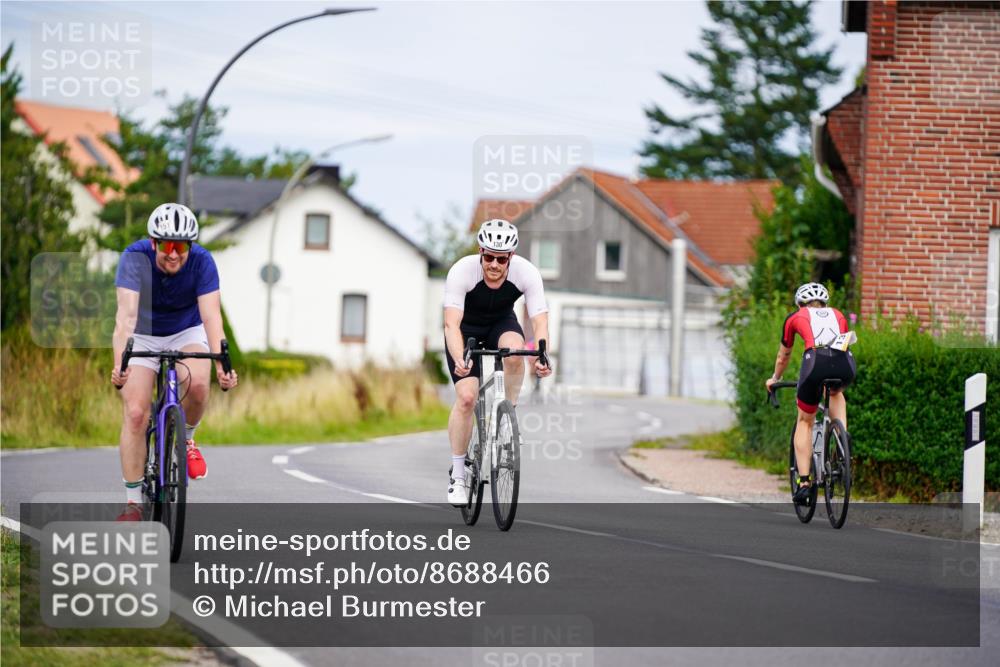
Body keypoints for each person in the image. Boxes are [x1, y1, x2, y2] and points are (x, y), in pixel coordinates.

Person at [110, 203, 238, 520]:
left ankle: (189, 439)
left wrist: (223, 364)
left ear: (189, 246)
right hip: (143, 333)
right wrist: (120, 365)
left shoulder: (203, 262)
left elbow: (211, 317)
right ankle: (133, 504)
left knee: (196, 384)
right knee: (137, 413)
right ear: (153, 242)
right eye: (165, 245)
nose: (173, 254)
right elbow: (125, 318)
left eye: (180, 246)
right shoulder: (133, 258)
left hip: (186, 330)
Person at [442, 219, 552, 506]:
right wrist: (459, 359)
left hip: (501, 324)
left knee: (515, 352)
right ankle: (457, 475)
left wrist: (542, 356)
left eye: (500, 259)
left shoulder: (526, 272)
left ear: (510, 258)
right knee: (466, 398)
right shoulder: (462, 271)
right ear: (480, 251)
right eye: (488, 256)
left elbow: (540, 320)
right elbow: (451, 324)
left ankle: (507, 419)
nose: (493, 264)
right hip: (465, 331)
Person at [765, 282, 856, 505]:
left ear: (800, 304)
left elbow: (783, 356)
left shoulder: (795, 317)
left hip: (815, 362)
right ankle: (842, 438)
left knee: (805, 421)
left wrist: (774, 379)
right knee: (835, 392)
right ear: (824, 303)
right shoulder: (838, 314)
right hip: (845, 363)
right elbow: (841, 343)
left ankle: (804, 483)